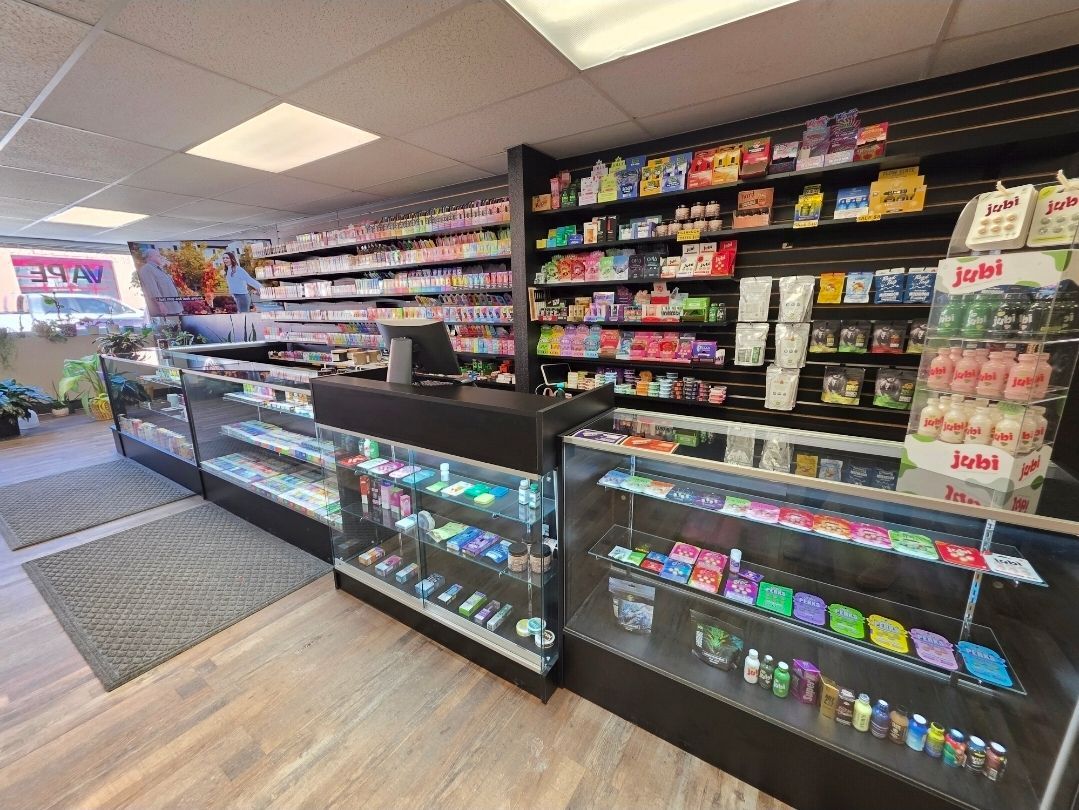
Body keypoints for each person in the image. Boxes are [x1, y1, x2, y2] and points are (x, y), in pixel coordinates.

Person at [136, 247, 182, 316]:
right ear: (150, 257)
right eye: (158, 255)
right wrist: (161, 305)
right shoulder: (147, 269)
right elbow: (152, 289)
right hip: (166, 311)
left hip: (175, 308)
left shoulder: (159, 269)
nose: (160, 257)